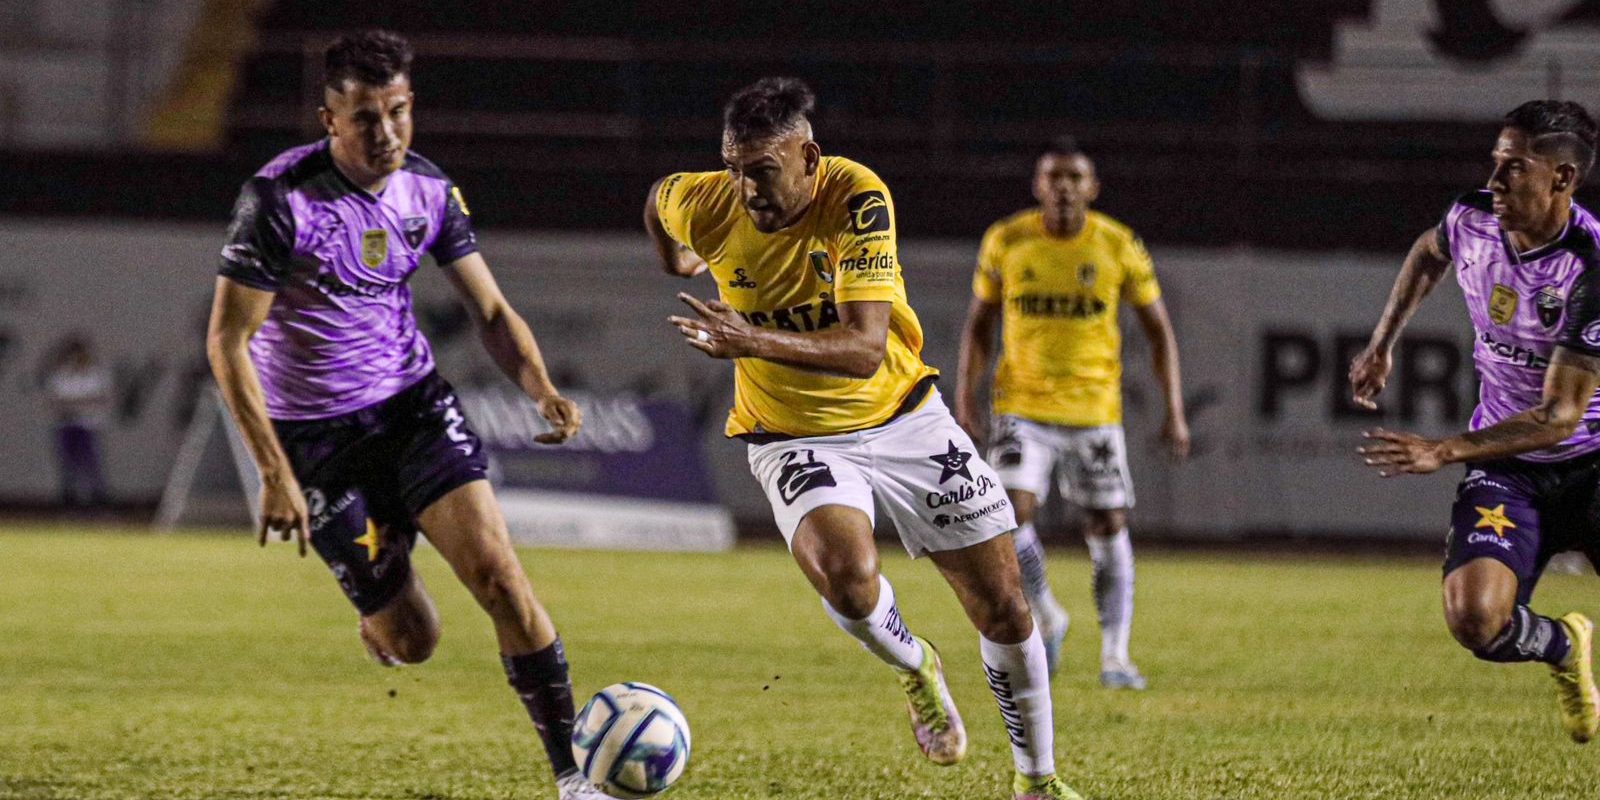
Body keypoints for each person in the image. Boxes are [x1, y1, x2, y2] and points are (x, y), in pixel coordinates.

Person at [645, 77, 1081, 800]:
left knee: (1003, 602)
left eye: (761, 170)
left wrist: (746, 336)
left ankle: (1037, 781)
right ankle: (917, 667)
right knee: (847, 580)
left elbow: (864, 347)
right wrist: (678, 261)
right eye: (732, 166)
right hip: (793, 433)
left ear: (808, 156)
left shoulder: (856, 197)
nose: (744, 187)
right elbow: (660, 200)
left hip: (904, 416)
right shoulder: (708, 201)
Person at [205, 31, 608, 798]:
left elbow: (489, 308)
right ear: (328, 120)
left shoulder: (429, 190)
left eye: (396, 112)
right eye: (363, 118)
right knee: (414, 641)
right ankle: (381, 605)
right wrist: (273, 471)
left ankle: (572, 775)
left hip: (412, 412)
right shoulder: (278, 200)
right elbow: (228, 343)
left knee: (500, 579)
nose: (384, 133)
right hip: (315, 441)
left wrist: (540, 386)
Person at [1352, 99, 1600, 744]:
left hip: (1592, 461)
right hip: (1509, 472)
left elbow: (1560, 415)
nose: (1494, 182)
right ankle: (1564, 649)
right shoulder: (1472, 217)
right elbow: (1426, 252)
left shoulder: (1592, 268)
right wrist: (1383, 343)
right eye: (1494, 163)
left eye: (1513, 169)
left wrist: (1446, 449)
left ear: (1562, 179)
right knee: (1476, 624)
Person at [955, 136, 1189, 688]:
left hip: (1094, 411)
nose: (1063, 188)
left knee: (1107, 524)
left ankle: (1115, 656)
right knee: (1007, 515)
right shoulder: (1007, 240)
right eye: (1053, 178)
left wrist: (1174, 409)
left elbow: (1159, 331)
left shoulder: (1117, 244)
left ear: (1092, 188)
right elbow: (979, 325)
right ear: (1038, 186)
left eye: (1074, 178)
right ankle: (1050, 613)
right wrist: (966, 398)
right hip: (1022, 406)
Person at [42, 334, 113, 509]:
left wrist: (74, 404)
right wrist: (77, 403)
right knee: (68, 465)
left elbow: (100, 398)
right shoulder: (61, 374)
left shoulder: (94, 373)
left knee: (90, 464)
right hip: (65, 425)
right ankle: (69, 502)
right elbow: (54, 401)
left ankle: (98, 501)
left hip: (87, 425)